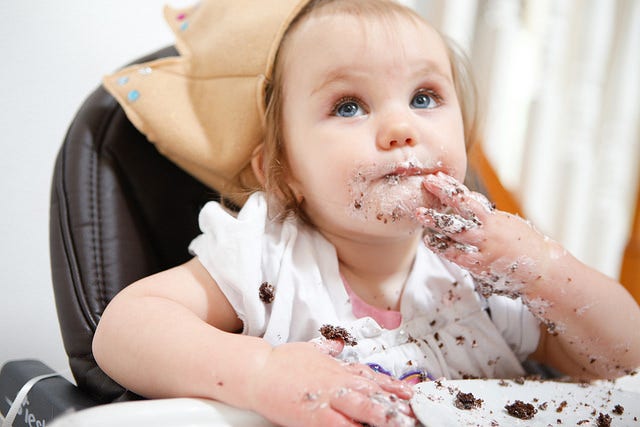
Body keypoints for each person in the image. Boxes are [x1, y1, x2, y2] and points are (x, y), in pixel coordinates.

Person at [93, 0, 640, 426]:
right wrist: (259, 373)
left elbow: (624, 364)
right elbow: (125, 328)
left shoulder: (487, 277)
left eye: (425, 97)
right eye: (348, 106)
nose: (401, 127)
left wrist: (546, 271)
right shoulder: (271, 259)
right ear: (284, 174)